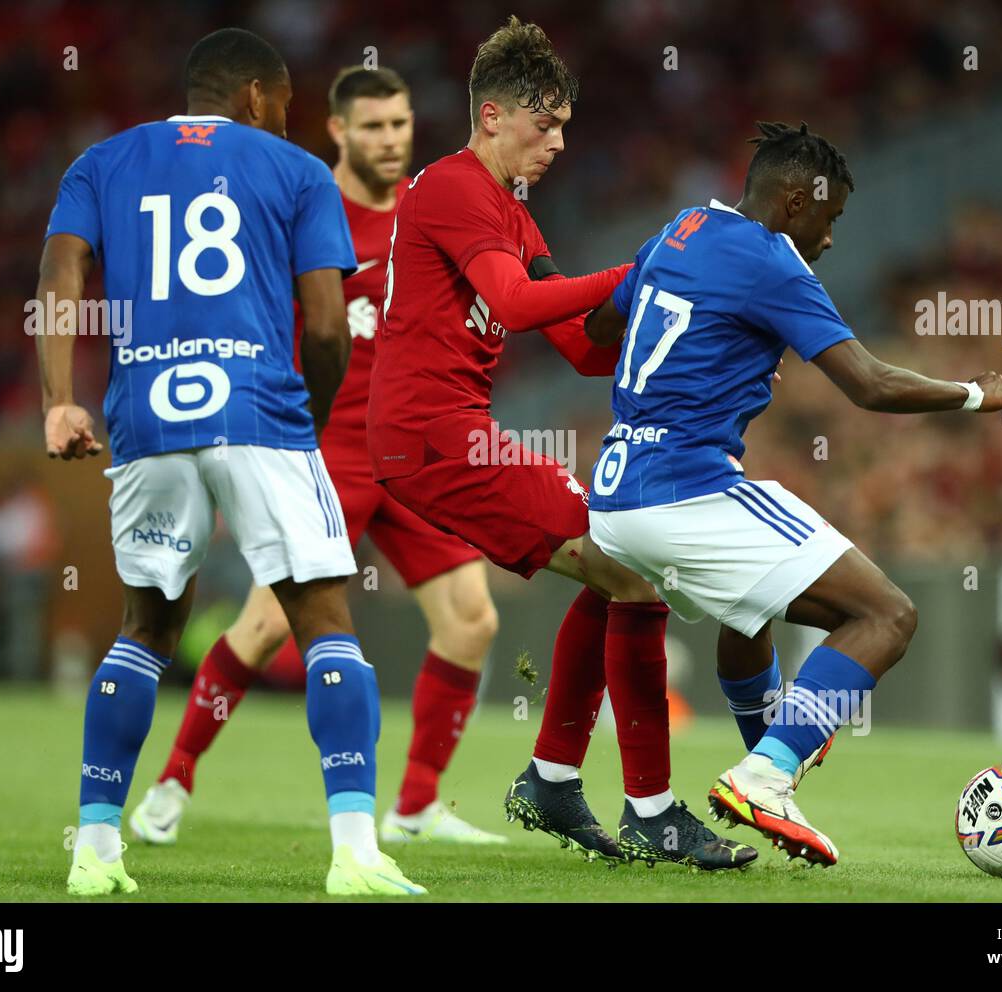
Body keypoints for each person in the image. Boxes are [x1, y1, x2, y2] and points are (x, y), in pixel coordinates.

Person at [38, 28, 423, 896]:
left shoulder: (101, 161)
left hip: (143, 416)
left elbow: (61, 270)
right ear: (256, 96)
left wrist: (61, 398)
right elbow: (325, 324)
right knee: (326, 622)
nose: (287, 121)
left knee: (145, 632)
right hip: (261, 413)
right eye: (286, 104)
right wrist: (312, 420)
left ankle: (95, 849)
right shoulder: (297, 174)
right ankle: (356, 854)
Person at [368, 15, 755, 871]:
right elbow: (511, 303)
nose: (557, 144)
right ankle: (645, 809)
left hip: (452, 431)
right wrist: (639, 268)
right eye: (545, 126)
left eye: (566, 129)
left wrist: (677, 313)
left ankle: (554, 777)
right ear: (494, 113)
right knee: (631, 572)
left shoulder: (510, 209)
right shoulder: (453, 187)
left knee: (625, 565)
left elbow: (582, 348)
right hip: (431, 434)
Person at [585, 121, 1002, 865]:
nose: (830, 238)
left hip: (614, 496)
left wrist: (718, 346)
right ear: (795, 202)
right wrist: (974, 395)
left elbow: (603, 327)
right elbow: (871, 385)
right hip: (684, 488)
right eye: (832, 217)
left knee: (748, 612)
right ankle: (767, 773)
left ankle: (773, 767)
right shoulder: (772, 260)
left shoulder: (683, 228)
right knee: (887, 613)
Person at [129, 65, 506, 848]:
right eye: (373, 127)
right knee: (265, 628)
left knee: (471, 619)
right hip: (326, 446)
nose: (391, 140)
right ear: (337, 131)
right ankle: (174, 778)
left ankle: (415, 807)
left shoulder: (430, 210)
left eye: (400, 124)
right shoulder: (302, 202)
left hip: (412, 446)